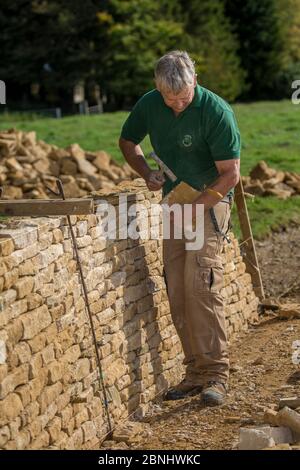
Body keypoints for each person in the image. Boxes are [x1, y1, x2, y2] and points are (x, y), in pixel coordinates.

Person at [119, 50, 240, 406]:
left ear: (195, 82)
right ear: (158, 90)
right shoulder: (150, 104)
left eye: (183, 97)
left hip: (210, 197)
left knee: (200, 284)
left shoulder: (216, 111)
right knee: (177, 288)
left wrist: (196, 209)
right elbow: (128, 141)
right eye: (169, 98)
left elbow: (231, 173)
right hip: (175, 202)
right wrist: (146, 172)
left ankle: (216, 373)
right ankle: (194, 373)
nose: (175, 104)